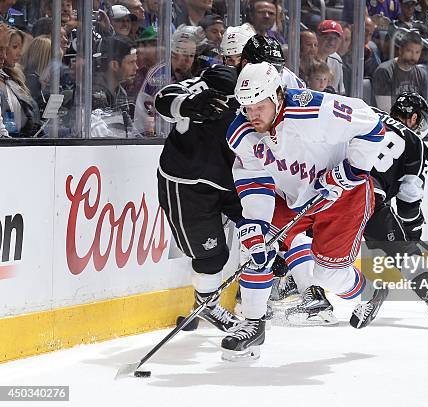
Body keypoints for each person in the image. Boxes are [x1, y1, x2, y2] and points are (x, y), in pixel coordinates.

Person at [223, 62, 385, 360]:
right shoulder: (241, 132)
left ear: (277, 96)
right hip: (294, 196)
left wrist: (351, 170)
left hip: (343, 197)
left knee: (327, 276)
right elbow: (255, 180)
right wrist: (255, 224)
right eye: (246, 107)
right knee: (255, 245)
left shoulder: (313, 108)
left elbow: (372, 123)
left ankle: (370, 292)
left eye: (258, 105)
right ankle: (253, 326)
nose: (252, 115)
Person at [352, 92, 428, 329]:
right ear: (413, 118)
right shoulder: (416, 143)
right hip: (369, 198)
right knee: (403, 249)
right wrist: (412, 229)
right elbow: (408, 202)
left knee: (311, 240)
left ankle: (307, 292)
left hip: (333, 188)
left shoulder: (369, 115)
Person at [154, 64, 243, 333]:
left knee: (261, 228)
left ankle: (254, 297)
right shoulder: (200, 88)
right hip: (189, 185)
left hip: (228, 179)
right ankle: (207, 305)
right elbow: (164, 99)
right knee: (211, 256)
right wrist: (187, 105)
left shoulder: (248, 90)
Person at [91, 35, 138, 137]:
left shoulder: (120, 92)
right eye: (131, 62)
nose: (136, 67)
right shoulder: (95, 92)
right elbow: (107, 136)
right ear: (114, 65)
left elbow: (129, 131)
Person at [372, 30, 427, 113]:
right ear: (400, 50)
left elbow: (425, 107)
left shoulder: (422, 74)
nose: (413, 56)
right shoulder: (384, 71)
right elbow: (384, 110)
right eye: (409, 51)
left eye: (417, 52)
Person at [239, 34, 305, 89]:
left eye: (277, 69)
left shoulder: (287, 78)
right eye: (266, 69)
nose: (273, 75)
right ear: (245, 65)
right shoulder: (230, 82)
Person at [316, 19, 344, 95]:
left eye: (335, 38)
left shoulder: (336, 60)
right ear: (317, 37)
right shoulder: (308, 57)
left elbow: (339, 93)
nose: (331, 42)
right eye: (326, 37)